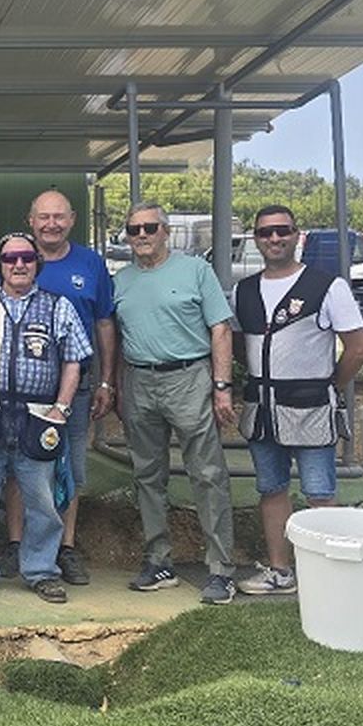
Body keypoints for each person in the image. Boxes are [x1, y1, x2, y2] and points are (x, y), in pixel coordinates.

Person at [231, 205, 363, 594]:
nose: (274, 239)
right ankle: (281, 571)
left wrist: (331, 384)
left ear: (298, 235)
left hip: (311, 406)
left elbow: (358, 349)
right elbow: (243, 345)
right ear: (255, 239)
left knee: (319, 493)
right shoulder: (243, 291)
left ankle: (330, 577)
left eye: (282, 231)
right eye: (265, 233)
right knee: (271, 488)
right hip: (262, 409)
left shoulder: (328, 286)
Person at [0, 231, 91, 602]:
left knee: (42, 501)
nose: (19, 264)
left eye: (27, 258)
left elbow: (74, 360)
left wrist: (60, 409)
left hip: (36, 416)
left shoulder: (58, 306)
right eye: (11, 258)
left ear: (37, 264)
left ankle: (42, 571)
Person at [111, 202, 238, 604]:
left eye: (150, 227)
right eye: (134, 230)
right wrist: (114, 385)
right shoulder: (122, 279)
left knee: (207, 474)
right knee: (148, 475)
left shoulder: (195, 271)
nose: (142, 235)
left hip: (189, 378)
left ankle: (220, 569)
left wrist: (222, 386)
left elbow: (220, 328)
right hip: (139, 380)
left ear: (166, 231)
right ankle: (158, 560)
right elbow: (116, 335)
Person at [1, 189, 117, 584]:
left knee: (71, 469)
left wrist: (106, 379)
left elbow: (104, 323)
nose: (51, 224)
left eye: (59, 217)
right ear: (30, 220)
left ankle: (65, 549)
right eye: (43, 217)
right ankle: (17, 545)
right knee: (19, 466)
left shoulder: (91, 263)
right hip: (22, 390)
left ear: (71, 220)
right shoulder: (17, 259)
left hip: (77, 387)